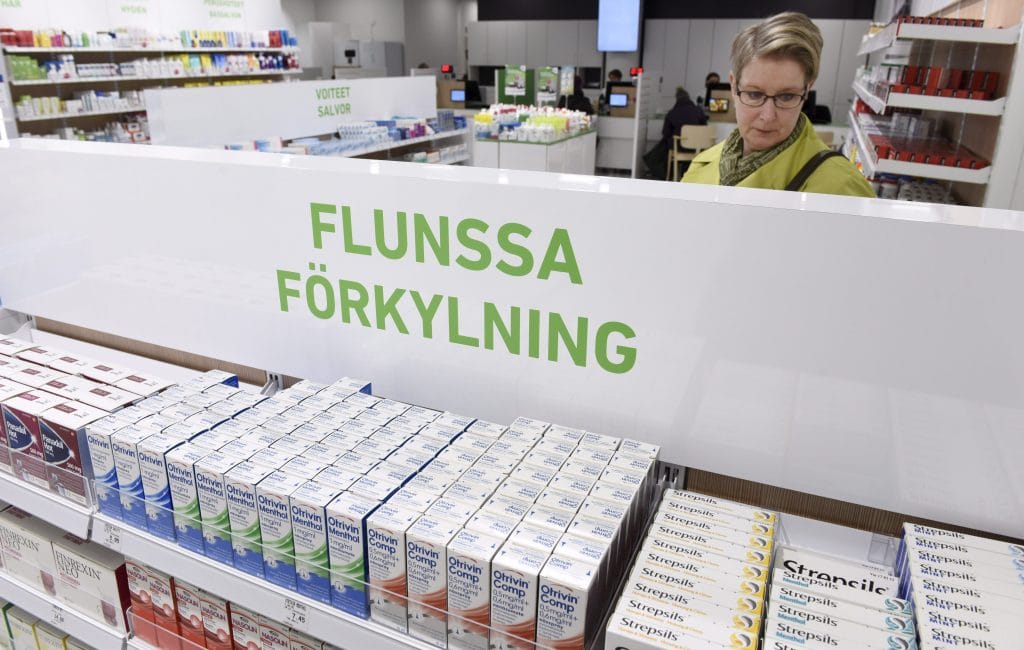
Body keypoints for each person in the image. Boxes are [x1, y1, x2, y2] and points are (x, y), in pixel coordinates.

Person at [682, 13, 874, 197]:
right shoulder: (702, 165)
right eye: (754, 94)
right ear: (733, 86)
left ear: (807, 90)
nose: (768, 116)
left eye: (786, 96)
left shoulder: (842, 189)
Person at [643, 88, 707, 178]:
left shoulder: (672, 113)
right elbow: (704, 128)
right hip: (697, 148)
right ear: (689, 98)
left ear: (677, 99)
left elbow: (665, 133)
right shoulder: (699, 111)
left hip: (678, 148)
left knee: (663, 147)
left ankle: (668, 175)